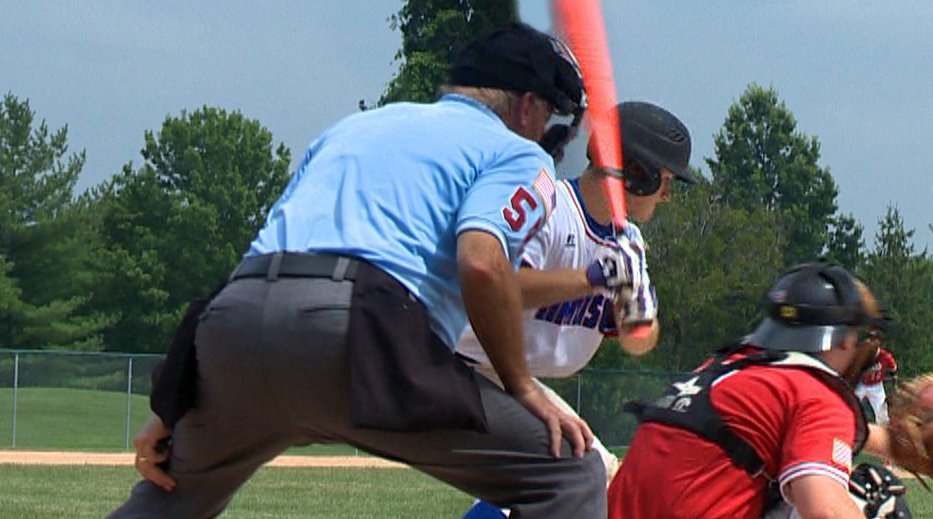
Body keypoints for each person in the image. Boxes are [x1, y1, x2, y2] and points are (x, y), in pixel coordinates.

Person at [109, 24, 608, 519]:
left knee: (166, 503)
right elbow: (482, 262)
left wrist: (175, 404)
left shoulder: (355, 127)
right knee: (569, 472)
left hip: (233, 330)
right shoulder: (519, 153)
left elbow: (264, 259)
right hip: (358, 337)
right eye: (551, 114)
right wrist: (521, 386)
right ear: (527, 106)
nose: (549, 130)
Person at [455, 100, 701, 519]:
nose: (667, 194)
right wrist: (590, 278)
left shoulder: (628, 243)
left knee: (600, 479)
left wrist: (635, 309)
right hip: (462, 366)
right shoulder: (547, 206)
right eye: (662, 180)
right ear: (635, 174)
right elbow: (495, 285)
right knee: (577, 472)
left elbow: (640, 343)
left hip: (509, 379)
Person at [608, 262, 894, 519]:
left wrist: (894, 444)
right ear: (844, 339)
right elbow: (824, 510)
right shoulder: (818, 391)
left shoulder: (729, 367)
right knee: (870, 499)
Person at [855, 348, 898, 426]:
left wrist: (894, 384)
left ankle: (885, 431)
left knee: (882, 412)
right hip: (862, 385)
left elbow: (893, 368)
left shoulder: (885, 356)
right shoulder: (863, 354)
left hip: (876, 386)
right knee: (849, 402)